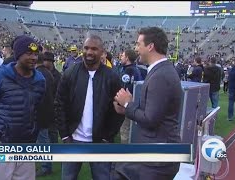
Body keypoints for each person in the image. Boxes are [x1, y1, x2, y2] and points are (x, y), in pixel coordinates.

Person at [113, 27, 182, 180]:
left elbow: (151, 119)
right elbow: (154, 112)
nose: (136, 48)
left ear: (150, 46)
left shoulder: (160, 75)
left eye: (138, 44)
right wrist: (127, 108)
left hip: (157, 160)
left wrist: (127, 105)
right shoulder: (161, 71)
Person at [55, 34, 125, 180]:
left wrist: (107, 137)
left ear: (102, 52)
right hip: (73, 140)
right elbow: (60, 105)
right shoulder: (70, 73)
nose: (89, 52)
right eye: (86, 48)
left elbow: (118, 111)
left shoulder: (112, 77)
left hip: (100, 142)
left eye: (94, 48)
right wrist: (65, 135)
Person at [0, 35, 46, 180]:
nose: (33, 57)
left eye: (35, 54)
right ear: (18, 54)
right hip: (3, 144)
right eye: (29, 53)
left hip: (27, 144)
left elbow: (39, 109)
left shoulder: (40, 81)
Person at [35, 52, 55, 177]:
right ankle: (45, 165)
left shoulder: (37, 74)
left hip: (39, 111)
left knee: (42, 140)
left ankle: (46, 166)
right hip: (47, 110)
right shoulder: (48, 73)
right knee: (43, 139)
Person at [118, 49, 142, 144]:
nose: (121, 57)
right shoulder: (135, 69)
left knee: (125, 131)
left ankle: (125, 155)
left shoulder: (129, 70)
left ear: (127, 57)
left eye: (123, 55)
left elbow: (124, 89)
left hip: (127, 105)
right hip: (133, 104)